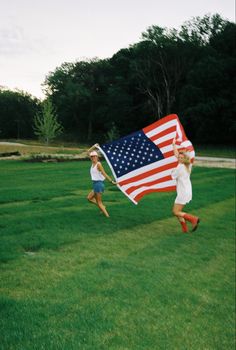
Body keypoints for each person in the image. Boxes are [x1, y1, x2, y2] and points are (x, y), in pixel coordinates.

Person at [171, 138, 200, 233]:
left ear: (184, 159)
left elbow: (172, 176)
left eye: (180, 158)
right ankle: (184, 230)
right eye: (179, 157)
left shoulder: (179, 167)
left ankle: (193, 219)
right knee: (177, 212)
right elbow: (177, 155)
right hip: (187, 191)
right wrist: (173, 145)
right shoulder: (188, 164)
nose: (178, 158)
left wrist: (172, 171)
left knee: (176, 211)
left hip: (183, 192)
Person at [87, 145, 116, 217]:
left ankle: (107, 216)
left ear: (97, 157)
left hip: (99, 184)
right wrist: (94, 146)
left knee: (99, 202)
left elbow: (104, 173)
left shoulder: (98, 164)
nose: (93, 157)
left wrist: (111, 181)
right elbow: (88, 152)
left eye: (94, 156)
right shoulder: (93, 164)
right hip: (95, 184)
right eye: (92, 156)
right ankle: (103, 207)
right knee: (89, 198)